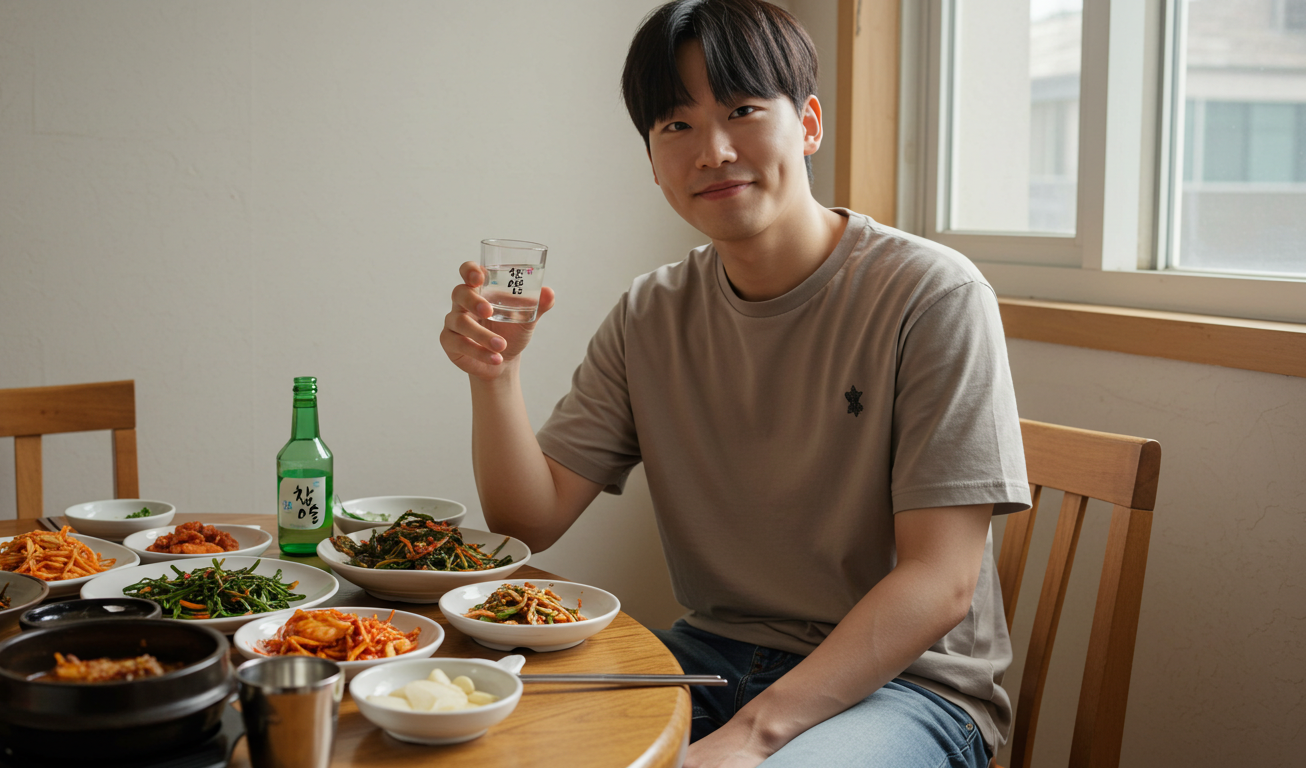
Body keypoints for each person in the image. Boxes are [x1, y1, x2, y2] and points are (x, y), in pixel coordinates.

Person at [439, 1, 1030, 766]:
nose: (713, 151)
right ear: (653, 162)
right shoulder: (652, 313)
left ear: (808, 124)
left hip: (906, 686)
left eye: (742, 111)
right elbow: (530, 517)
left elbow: (940, 581)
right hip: (710, 657)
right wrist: (496, 375)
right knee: (484, 721)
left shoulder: (932, 294)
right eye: (676, 125)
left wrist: (750, 737)